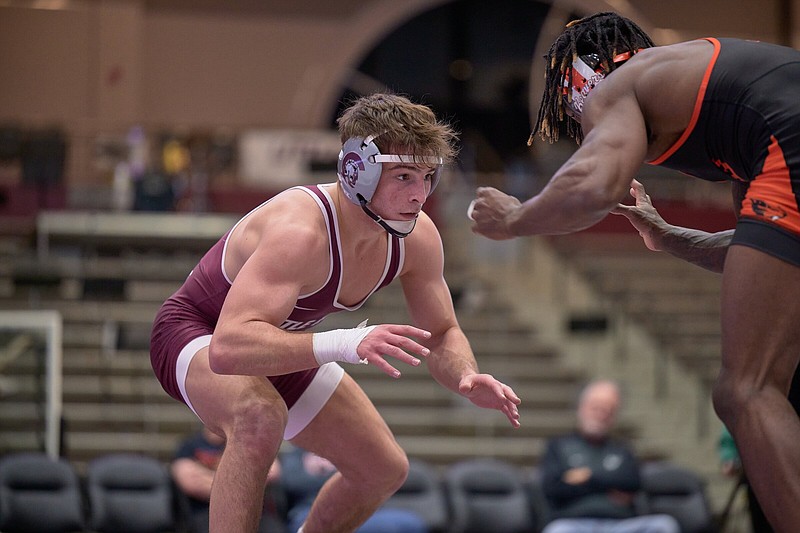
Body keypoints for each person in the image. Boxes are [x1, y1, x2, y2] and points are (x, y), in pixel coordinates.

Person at [468, 11, 800, 530]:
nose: (584, 128)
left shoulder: (619, 86)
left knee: (746, 390)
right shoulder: (727, 111)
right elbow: (757, 252)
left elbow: (590, 189)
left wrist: (512, 219)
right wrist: (666, 236)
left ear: (581, 82)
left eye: (571, 111)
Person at [150, 92, 521, 533]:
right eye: (403, 176)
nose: (419, 195)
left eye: (427, 177)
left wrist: (464, 375)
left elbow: (442, 332)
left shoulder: (417, 238)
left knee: (381, 469)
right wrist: (345, 342)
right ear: (355, 170)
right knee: (260, 418)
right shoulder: (301, 230)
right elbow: (228, 350)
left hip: (276, 342)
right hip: (197, 333)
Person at [538, 379, 680, 533]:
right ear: (581, 408)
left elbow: (632, 482)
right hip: (574, 523)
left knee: (664, 525)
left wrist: (586, 477)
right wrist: (609, 482)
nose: (601, 414)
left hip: (621, 525)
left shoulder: (623, 449)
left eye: (608, 410)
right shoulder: (558, 446)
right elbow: (553, 488)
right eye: (595, 408)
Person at [280, 445, 428, 533]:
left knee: (409, 522)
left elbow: (376, 476)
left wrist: (323, 474)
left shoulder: (356, 446)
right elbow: (292, 481)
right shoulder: (299, 451)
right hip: (309, 509)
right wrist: (346, 476)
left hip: (361, 510)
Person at [171, 426, 285, 533]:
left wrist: (208, 477)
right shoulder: (190, 446)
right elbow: (190, 481)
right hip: (206, 514)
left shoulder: (249, 443)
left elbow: (272, 472)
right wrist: (246, 480)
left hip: (255, 514)